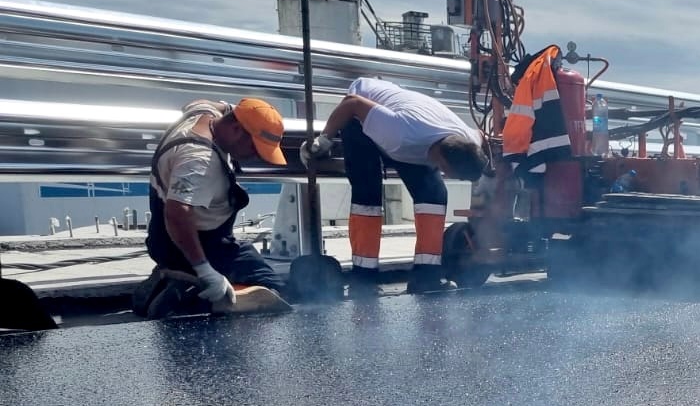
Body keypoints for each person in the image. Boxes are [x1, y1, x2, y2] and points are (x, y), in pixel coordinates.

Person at [302, 78, 487, 294]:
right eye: (457, 176)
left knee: (435, 196)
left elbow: (481, 136)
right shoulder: (400, 132)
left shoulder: (468, 140)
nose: (456, 179)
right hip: (358, 115)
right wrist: (324, 140)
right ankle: (363, 281)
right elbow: (352, 103)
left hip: (413, 135)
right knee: (367, 195)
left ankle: (426, 278)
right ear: (444, 163)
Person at [136, 97, 287, 317]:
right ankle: (192, 298)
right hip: (199, 244)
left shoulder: (203, 114)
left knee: (251, 265)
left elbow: (199, 102)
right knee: (270, 289)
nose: (256, 156)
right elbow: (177, 213)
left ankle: (179, 279)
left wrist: (244, 112)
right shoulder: (199, 161)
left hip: (166, 240)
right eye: (255, 148)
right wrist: (205, 270)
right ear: (236, 129)